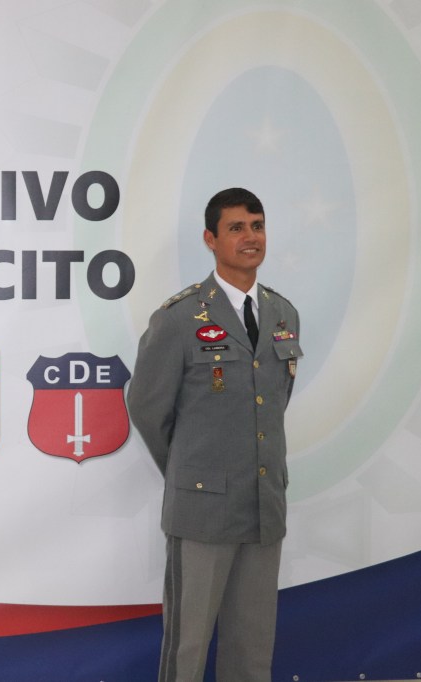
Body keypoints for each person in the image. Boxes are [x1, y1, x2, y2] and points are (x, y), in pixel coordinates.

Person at [127, 188, 302, 681]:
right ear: (211, 239)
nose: (250, 237)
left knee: (252, 645)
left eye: (257, 226)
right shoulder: (180, 318)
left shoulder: (283, 313)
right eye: (236, 228)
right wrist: (189, 471)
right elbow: (147, 408)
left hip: (262, 503)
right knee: (188, 645)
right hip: (202, 509)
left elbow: (273, 401)